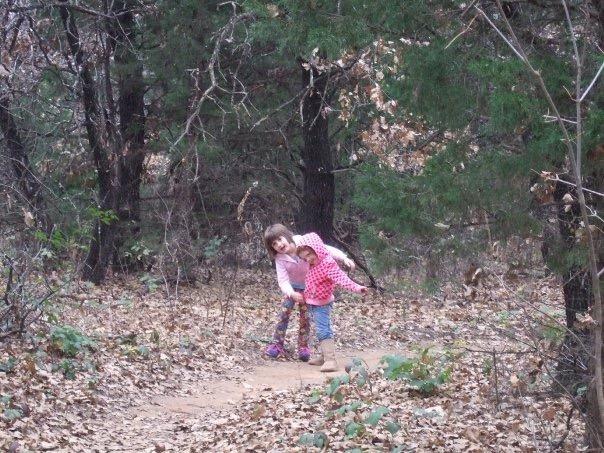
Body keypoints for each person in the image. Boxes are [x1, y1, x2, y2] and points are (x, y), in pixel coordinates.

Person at [263, 224, 355, 361]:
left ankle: (303, 347)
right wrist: (291, 293)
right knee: (284, 313)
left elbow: (325, 249)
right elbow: (282, 280)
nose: (279, 245)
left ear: (286, 235)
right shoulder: (280, 259)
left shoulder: (302, 242)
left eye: (280, 239)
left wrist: (344, 258)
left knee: (305, 317)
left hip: (309, 287)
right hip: (292, 288)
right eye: (274, 244)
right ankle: (277, 344)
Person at [296, 232, 368, 372]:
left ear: (317, 248)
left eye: (310, 255)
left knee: (323, 330)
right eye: (304, 258)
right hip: (313, 302)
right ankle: (324, 356)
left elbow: (342, 279)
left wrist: (357, 288)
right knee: (320, 328)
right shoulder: (314, 264)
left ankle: (331, 360)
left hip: (322, 304)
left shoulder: (327, 263)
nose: (308, 259)